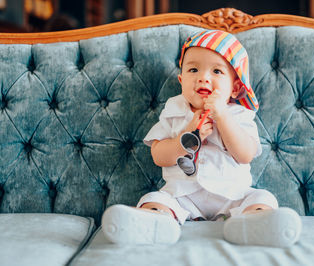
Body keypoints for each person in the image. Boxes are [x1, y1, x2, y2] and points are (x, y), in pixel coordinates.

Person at [101, 30, 302, 247]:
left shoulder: (238, 115)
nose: (203, 77)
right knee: (154, 200)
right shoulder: (174, 110)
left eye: (217, 71)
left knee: (262, 199)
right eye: (193, 69)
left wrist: (222, 117)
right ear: (181, 80)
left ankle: (253, 224)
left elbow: (245, 155)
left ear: (235, 87)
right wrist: (186, 135)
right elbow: (159, 156)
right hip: (182, 196)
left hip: (232, 196)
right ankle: (154, 222)